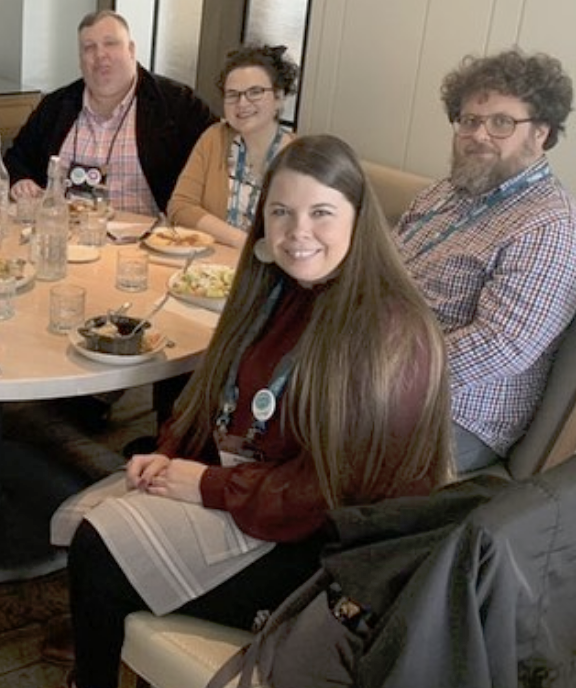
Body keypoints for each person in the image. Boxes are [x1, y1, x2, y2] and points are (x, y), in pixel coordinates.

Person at [64, 135, 454, 688]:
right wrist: (168, 451)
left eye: (321, 212)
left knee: (98, 551)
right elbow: (212, 395)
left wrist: (208, 487)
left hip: (332, 552)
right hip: (267, 498)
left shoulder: (391, 334)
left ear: (359, 218)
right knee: (100, 520)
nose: (298, 233)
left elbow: (331, 494)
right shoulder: (278, 288)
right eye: (281, 212)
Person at [395, 49, 576, 472]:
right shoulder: (445, 193)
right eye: (470, 120)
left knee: (308, 425)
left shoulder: (547, 224)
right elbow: (390, 266)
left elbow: (501, 346)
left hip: (456, 412)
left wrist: (384, 367)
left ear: (541, 133)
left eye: (501, 122)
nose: (479, 134)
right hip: (386, 362)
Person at [4, 10, 216, 214]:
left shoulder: (176, 104)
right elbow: (16, 158)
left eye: (110, 43)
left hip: (146, 241)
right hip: (66, 235)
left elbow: (215, 156)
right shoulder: (57, 105)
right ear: (80, 60)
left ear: (131, 50)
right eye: (89, 47)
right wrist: (21, 180)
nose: (100, 55)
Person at [167, 44, 298, 247]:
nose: (242, 103)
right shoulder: (214, 139)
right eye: (233, 94)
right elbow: (180, 207)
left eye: (255, 92)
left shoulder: (302, 157)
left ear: (279, 97)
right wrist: (242, 242)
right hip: (213, 268)